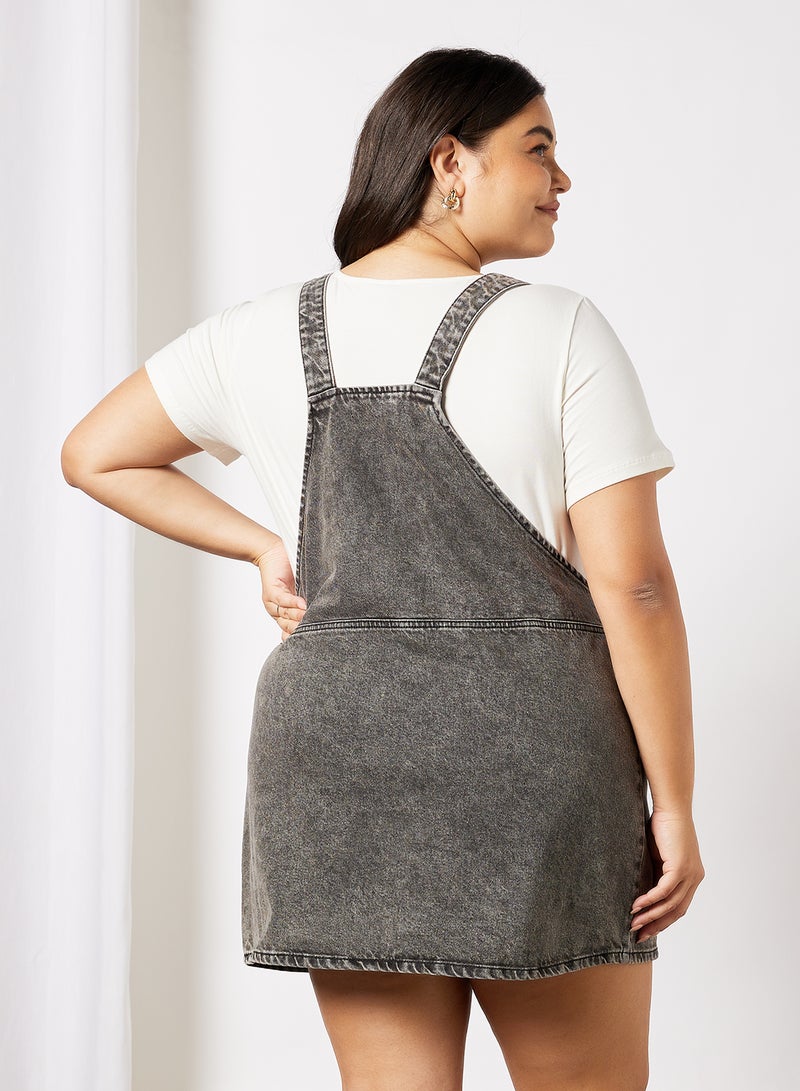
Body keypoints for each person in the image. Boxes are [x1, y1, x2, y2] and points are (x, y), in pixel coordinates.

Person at [61, 46, 704, 1091]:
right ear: (449, 161)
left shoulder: (256, 331)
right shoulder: (558, 328)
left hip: (338, 753)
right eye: (537, 148)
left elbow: (94, 453)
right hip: (532, 755)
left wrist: (264, 544)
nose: (562, 178)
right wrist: (671, 801)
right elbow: (633, 584)